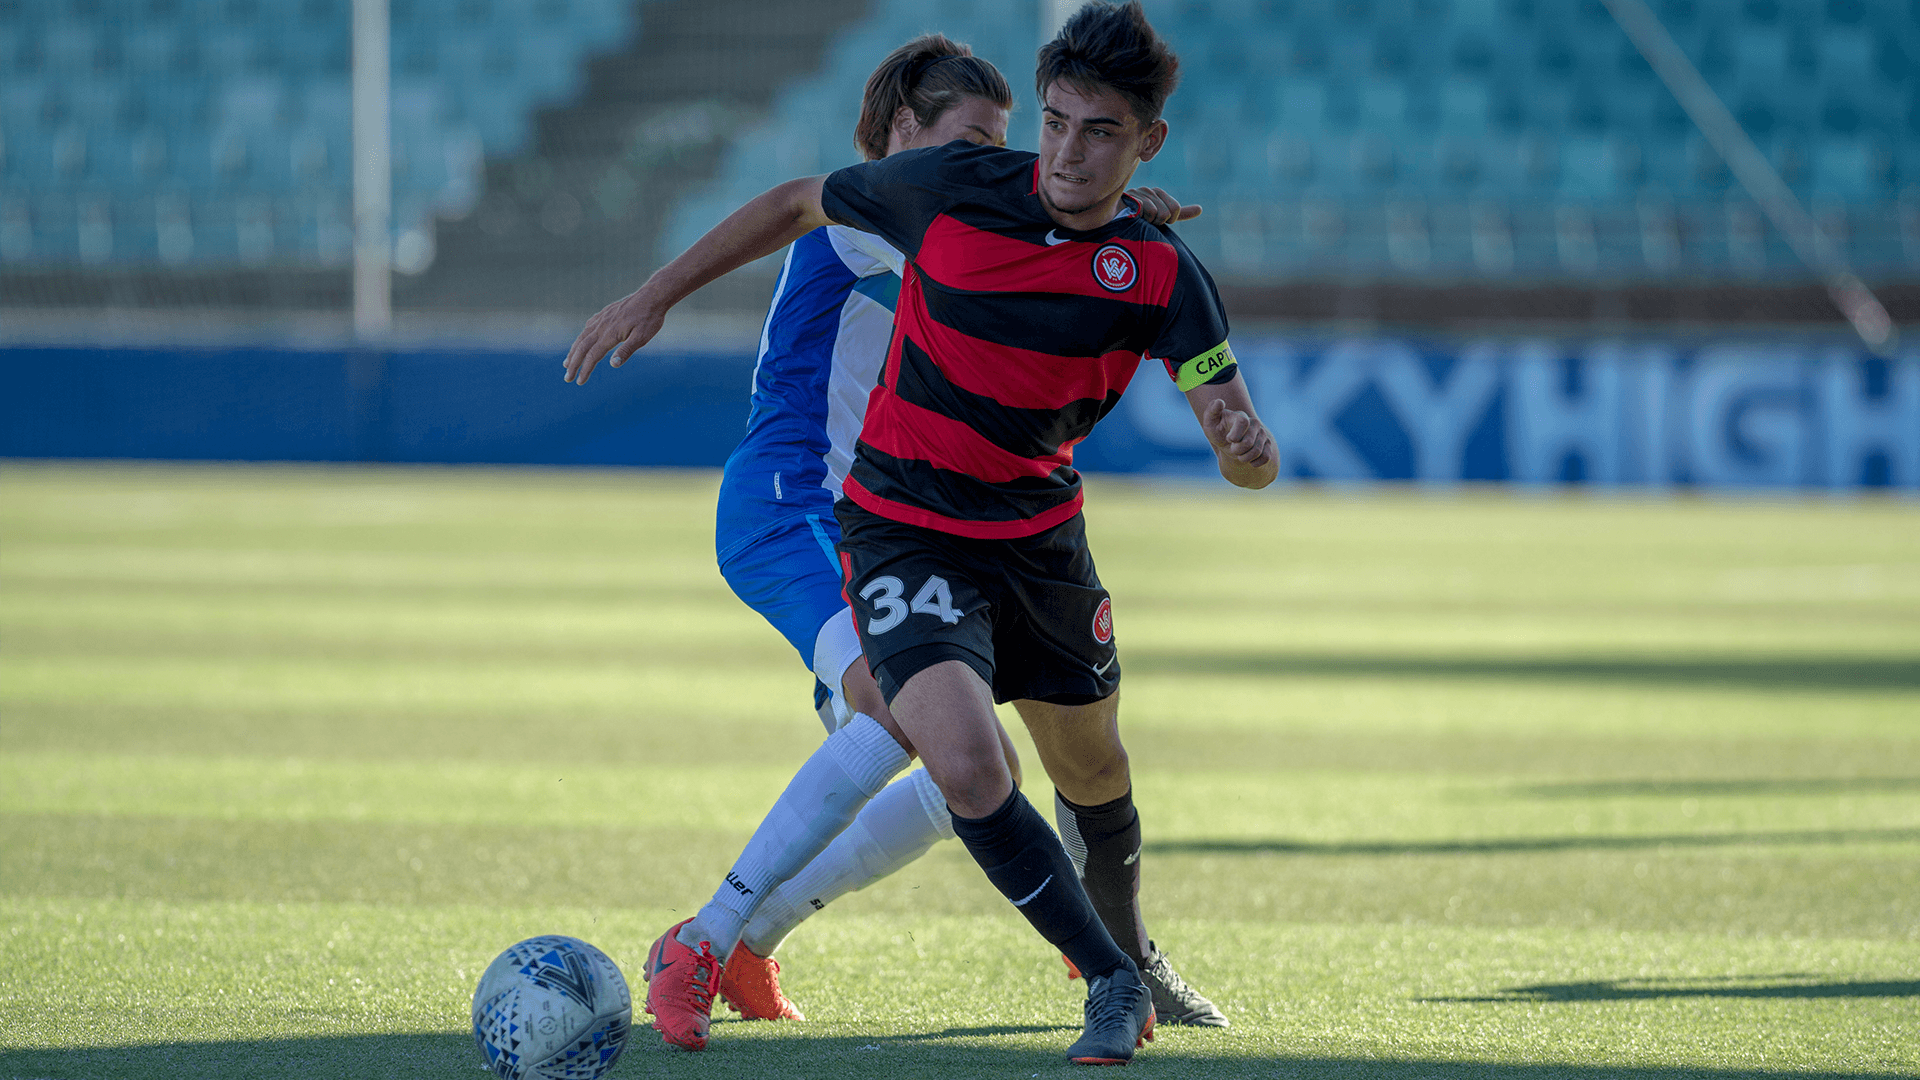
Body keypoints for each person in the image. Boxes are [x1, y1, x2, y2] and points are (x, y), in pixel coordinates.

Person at [565, 3, 1272, 1064]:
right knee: (915, 724)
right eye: (979, 142)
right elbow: (987, 235)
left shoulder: (989, 202)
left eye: (1008, 141)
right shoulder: (891, 208)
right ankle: (706, 938)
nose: (1009, 159)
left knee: (976, 774)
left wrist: (1116, 215)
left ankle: (753, 939)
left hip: (967, 523)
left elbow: (1051, 244)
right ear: (904, 138)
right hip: (805, 502)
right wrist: (1109, 211)